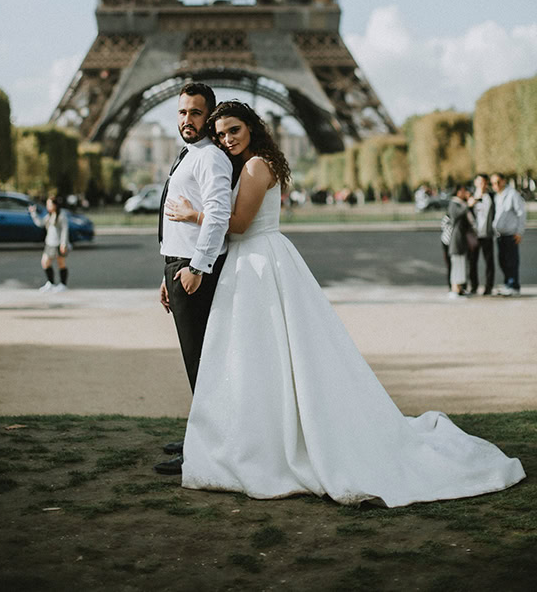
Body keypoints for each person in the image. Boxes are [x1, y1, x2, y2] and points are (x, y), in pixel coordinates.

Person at [167, 101, 524, 507]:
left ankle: (263, 443)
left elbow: (239, 224)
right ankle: (273, 438)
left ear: (252, 129)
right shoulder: (259, 162)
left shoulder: (252, 167)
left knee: (258, 356)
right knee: (275, 355)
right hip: (260, 262)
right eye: (221, 134)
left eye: (234, 130)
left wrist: (193, 214)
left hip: (256, 263)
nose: (227, 139)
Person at [155, 82, 232, 475]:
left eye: (196, 113)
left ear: (210, 116)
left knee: (201, 363)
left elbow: (218, 215)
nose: (187, 119)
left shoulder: (210, 158)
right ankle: (200, 437)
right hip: (181, 265)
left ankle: (206, 451)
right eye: (183, 112)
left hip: (193, 268)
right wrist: (168, 272)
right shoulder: (190, 155)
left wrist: (197, 267)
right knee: (197, 361)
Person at [490, 173, 526, 296]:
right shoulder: (496, 196)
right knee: (503, 261)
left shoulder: (512, 194)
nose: (496, 185)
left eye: (498, 182)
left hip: (511, 234)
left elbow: (521, 213)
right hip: (500, 235)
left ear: (504, 181)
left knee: (512, 261)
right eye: (493, 183)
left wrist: (519, 232)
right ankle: (507, 283)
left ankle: (513, 285)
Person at [28, 196, 70, 292]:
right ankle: (50, 283)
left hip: (58, 244)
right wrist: (33, 213)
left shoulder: (61, 216)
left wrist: (63, 243)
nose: (47, 206)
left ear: (55, 205)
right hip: (49, 243)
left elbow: (65, 230)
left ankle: (63, 284)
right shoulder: (49, 216)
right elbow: (40, 223)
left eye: (49, 204)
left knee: (61, 263)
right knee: (45, 262)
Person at [447, 184, 476, 297]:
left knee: (461, 264)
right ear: (458, 191)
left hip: (462, 240)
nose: (465, 193)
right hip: (456, 240)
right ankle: (455, 288)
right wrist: (467, 205)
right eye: (463, 191)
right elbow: (456, 215)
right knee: (456, 264)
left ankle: (459, 288)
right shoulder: (454, 204)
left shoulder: (462, 204)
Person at [468, 174, 495, 295]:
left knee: (489, 261)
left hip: (487, 234)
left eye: (484, 182)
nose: (482, 185)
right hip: (474, 234)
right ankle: (474, 286)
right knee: (472, 262)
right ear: (475, 183)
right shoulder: (470, 197)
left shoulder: (491, 197)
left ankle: (488, 287)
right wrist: (470, 205)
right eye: (479, 182)